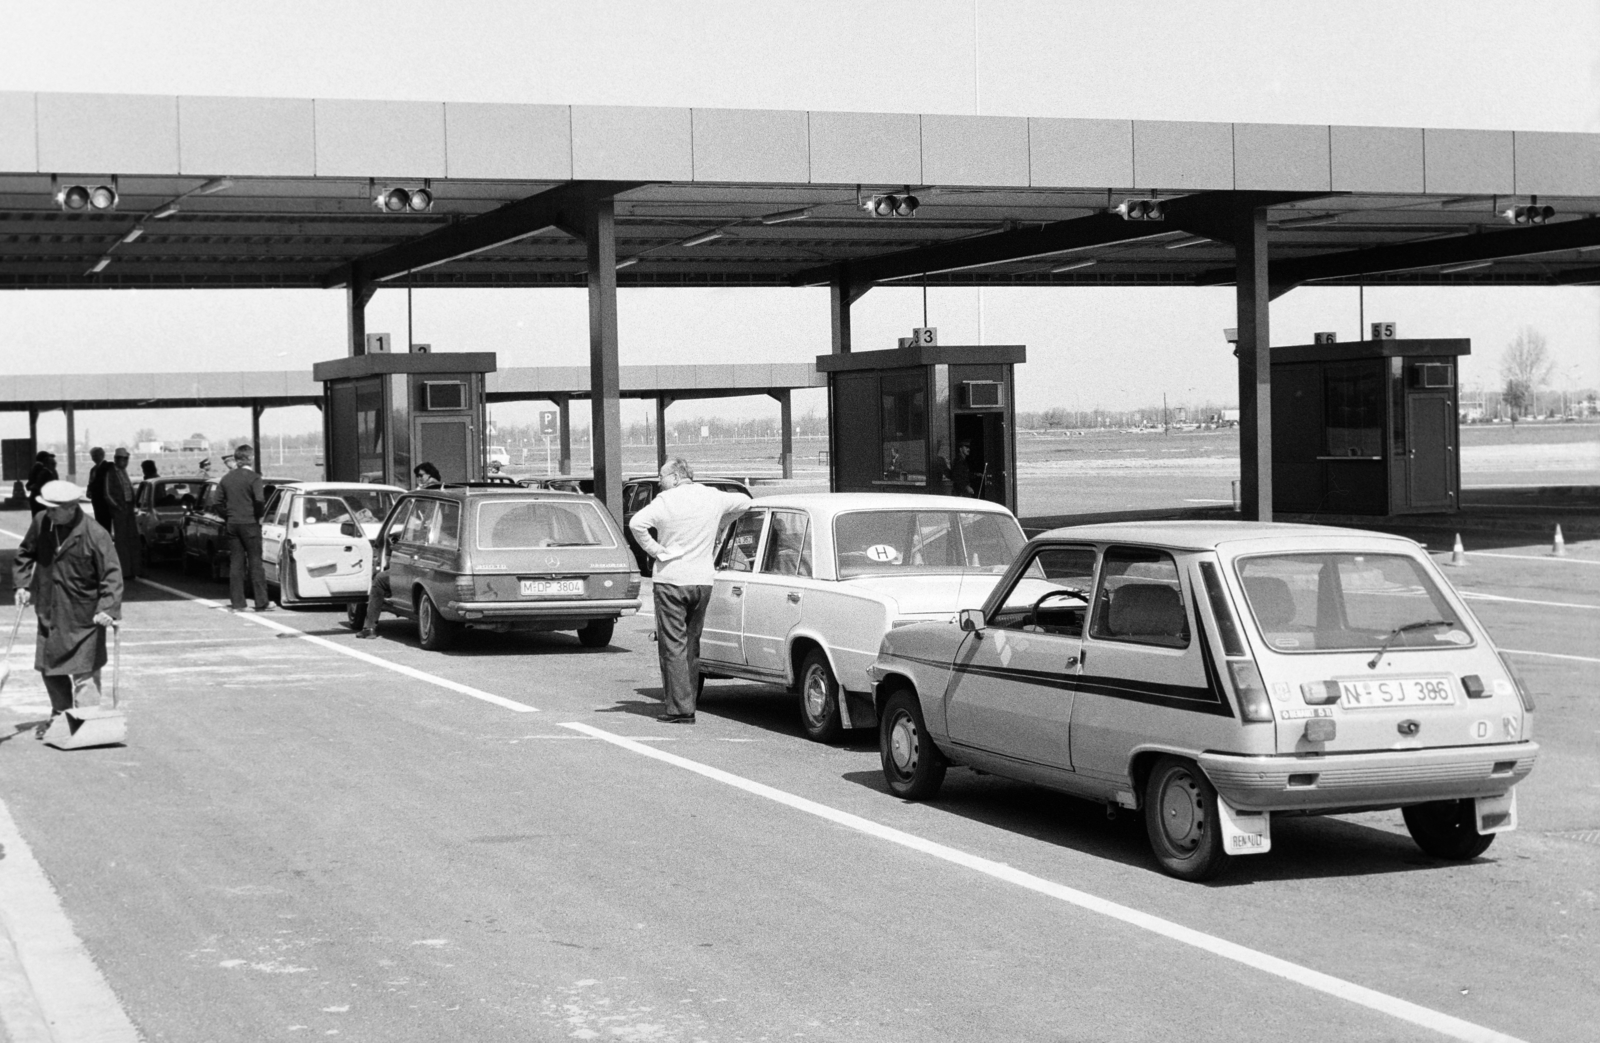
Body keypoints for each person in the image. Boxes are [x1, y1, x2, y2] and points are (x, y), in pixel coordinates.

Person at [628, 457, 751, 723]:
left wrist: (657, 551)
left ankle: (681, 709)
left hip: (671, 579)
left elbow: (636, 524)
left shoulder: (666, 500)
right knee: (692, 644)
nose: (660, 482)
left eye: (661, 477)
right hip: (703, 580)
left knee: (672, 645)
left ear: (674, 476)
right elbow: (745, 502)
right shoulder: (712, 496)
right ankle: (689, 699)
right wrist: (721, 523)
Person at [12, 480, 123, 737]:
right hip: (50, 611)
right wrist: (22, 584)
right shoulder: (42, 521)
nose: (48, 513)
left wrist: (108, 608)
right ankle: (60, 717)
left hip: (85, 617)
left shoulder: (96, 534)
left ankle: (86, 723)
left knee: (84, 675)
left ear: (72, 507)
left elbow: (112, 574)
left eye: (54, 509)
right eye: (47, 508)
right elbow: (26, 552)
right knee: (50, 670)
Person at [356, 461, 442, 639]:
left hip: (422, 557)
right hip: (436, 554)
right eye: (417, 476)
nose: (419, 479)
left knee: (379, 580)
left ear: (430, 476)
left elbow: (423, 531)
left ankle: (369, 628)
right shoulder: (446, 496)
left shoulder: (427, 497)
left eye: (421, 476)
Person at [217, 444, 270, 612]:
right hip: (249, 523)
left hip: (232, 523)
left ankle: (238, 602)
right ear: (250, 458)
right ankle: (261, 601)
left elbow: (216, 501)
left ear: (236, 459)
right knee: (255, 562)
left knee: (236, 563)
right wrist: (258, 515)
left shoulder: (226, 478)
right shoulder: (254, 477)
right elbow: (260, 500)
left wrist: (227, 516)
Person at [105, 448, 140, 580]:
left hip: (129, 509)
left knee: (132, 539)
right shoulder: (111, 473)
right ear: (116, 459)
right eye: (122, 459)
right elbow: (107, 493)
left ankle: (134, 569)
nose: (125, 462)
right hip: (120, 510)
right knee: (122, 541)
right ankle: (124, 571)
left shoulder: (123, 472)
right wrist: (118, 507)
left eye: (126, 459)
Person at [87, 447, 115, 529]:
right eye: (92, 456)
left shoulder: (109, 467)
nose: (94, 458)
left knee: (106, 522)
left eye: (96, 455)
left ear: (102, 455)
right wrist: (89, 490)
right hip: (96, 500)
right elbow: (91, 482)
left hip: (105, 500)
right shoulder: (93, 469)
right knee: (99, 521)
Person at [25, 451, 58, 516]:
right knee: (41, 518)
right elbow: (38, 483)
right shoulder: (41, 469)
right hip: (40, 497)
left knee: (38, 517)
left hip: (37, 496)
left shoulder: (37, 468)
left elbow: (30, 484)